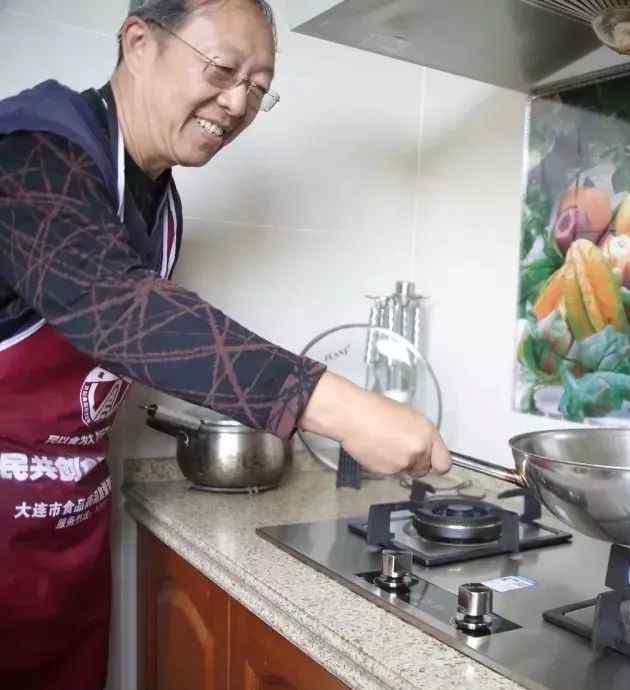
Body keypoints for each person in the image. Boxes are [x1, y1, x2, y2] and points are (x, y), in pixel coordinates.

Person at [0, 0, 451, 687]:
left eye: (258, 87)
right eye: (221, 69)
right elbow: (118, 310)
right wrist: (344, 408)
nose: (238, 103)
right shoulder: (27, 153)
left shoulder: (160, 202)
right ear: (139, 42)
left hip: (63, 542)